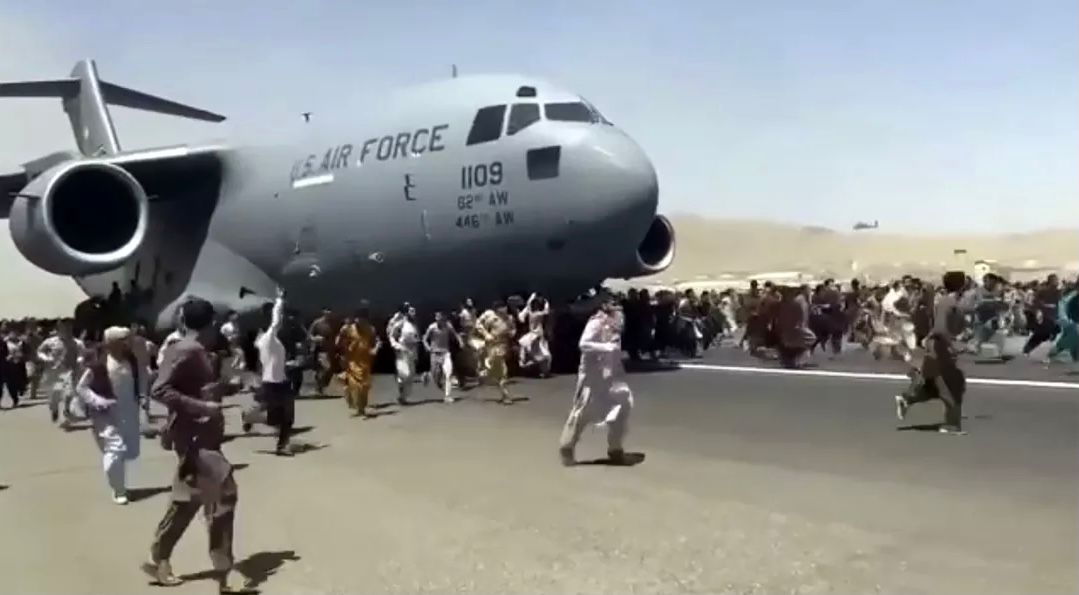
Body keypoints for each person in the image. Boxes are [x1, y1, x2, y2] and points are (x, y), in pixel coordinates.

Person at [145, 297, 255, 593]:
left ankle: (159, 557)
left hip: (202, 435)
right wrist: (202, 407)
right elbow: (160, 389)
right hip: (193, 438)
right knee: (225, 491)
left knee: (188, 499)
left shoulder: (199, 351)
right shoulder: (186, 349)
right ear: (212, 323)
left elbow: (194, 387)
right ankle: (224, 569)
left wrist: (226, 388)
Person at [559, 297, 633, 466]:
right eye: (615, 306)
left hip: (612, 375)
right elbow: (583, 344)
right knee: (583, 412)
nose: (619, 310)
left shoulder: (615, 325)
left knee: (623, 406)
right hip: (593, 376)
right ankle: (567, 447)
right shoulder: (596, 323)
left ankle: (615, 449)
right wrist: (605, 348)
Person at [895, 271, 968, 434]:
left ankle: (908, 399)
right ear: (962, 285)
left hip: (940, 348)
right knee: (950, 386)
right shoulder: (947, 302)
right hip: (939, 349)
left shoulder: (951, 302)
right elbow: (940, 328)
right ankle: (951, 424)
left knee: (937, 386)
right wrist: (951, 344)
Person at [76, 326, 141, 504]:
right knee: (115, 450)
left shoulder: (131, 360)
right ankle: (119, 490)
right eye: (123, 340)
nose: (127, 343)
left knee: (125, 452)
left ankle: (120, 484)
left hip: (128, 413)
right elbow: (81, 388)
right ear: (111, 343)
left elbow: (138, 382)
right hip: (105, 415)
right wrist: (99, 401)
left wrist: (143, 401)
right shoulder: (100, 364)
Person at [243, 288, 294, 456]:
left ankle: (282, 445)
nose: (283, 322)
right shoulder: (268, 338)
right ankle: (251, 417)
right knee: (277, 418)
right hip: (272, 383)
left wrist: (289, 365)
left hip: (280, 381)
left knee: (286, 417)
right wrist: (280, 300)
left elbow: (275, 360)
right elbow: (276, 320)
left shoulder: (269, 340)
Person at [335, 304, 381, 417]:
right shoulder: (348, 329)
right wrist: (341, 337)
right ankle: (355, 403)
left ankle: (362, 408)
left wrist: (375, 349)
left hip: (365, 362)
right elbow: (338, 342)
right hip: (352, 361)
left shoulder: (370, 329)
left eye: (362, 319)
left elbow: (377, 341)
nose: (359, 321)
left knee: (365, 386)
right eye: (358, 318)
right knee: (355, 385)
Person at [37, 319, 84, 427]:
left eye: (69, 327)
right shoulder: (50, 341)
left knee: (69, 393)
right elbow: (40, 351)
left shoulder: (77, 343)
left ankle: (67, 411)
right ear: (59, 329)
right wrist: (46, 358)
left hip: (70, 371)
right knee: (55, 394)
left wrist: (79, 360)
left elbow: (82, 354)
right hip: (55, 372)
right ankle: (54, 408)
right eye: (64, 327)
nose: (67, 330)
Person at [477, 301, 516, 404]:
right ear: (497, 309)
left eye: (505, 307)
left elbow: (513, 328)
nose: (504, 309)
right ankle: (505, 395)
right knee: (502, 371)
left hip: (503, 345)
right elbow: (479, 325)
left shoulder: (509, 318)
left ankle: (485, 373)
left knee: (499, 371)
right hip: (493, 345)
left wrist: (512, 332)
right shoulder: (491, 317)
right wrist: (486, 334)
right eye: (502, 307)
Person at [423, 311, 461, 403]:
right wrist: (427, 347)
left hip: (446, 353)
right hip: (435, 353)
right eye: (436, 317)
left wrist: (460, 341)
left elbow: (455, 334)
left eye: (439, 317)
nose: (437, 319)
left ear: (443, 318)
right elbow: (424, 338)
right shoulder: (432, 327)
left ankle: (447, 396)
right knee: (436, 377)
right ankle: (428, 375)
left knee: (448, 374)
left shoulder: (448, 326)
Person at [388, 304, 420, 405]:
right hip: (402, 352)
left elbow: (416, 340)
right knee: (404, 374)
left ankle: (403, 398)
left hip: (412, 353)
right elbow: (391, 336)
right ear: (407, 313)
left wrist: (416, 354)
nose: (413, 313)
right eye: (411, 311)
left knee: (410, 376)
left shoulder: (415, 325)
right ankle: (400, 381)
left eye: (414, 311)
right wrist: (396, 345)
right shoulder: (400, 324)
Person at [517, 293, 553, 377]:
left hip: (537, 336)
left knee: (542, 354)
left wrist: (532, 297)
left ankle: (542, 371)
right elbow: (546, 311)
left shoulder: (532, 313)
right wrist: (546, 302)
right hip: (535, 336)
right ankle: (541, 371)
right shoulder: (536, 314)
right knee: (543, 355)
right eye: (535, 304)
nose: (536, 306)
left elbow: (528, 306)